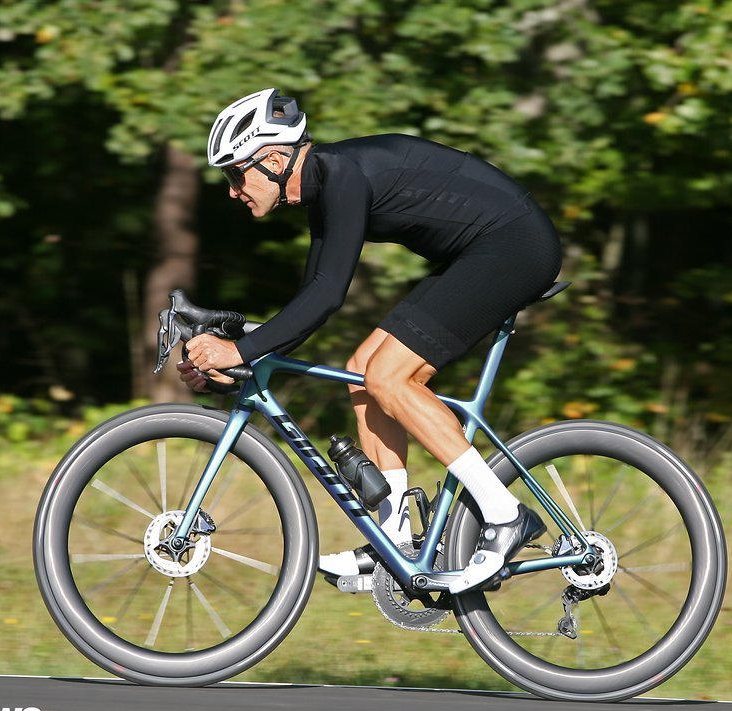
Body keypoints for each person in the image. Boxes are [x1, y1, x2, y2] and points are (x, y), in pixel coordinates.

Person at [179, 88, 562, 592]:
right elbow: (309, 304)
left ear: (272, 159)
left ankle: (505, 513)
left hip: (512, 246)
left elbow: (329, 296)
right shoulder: (322, 188)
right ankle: (394, 538)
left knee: (389, 376)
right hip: (483, 251)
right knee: (364, 371)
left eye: (235, 173)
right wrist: (236, 363)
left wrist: (240, 350)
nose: (232, 190)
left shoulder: (342, 177)